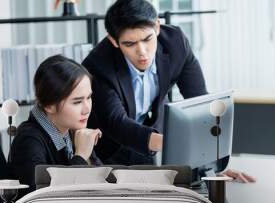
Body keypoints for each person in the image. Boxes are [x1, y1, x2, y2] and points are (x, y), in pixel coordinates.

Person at [82, 0, 207, 165]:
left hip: (153, 137)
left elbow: (199, 101)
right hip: (111, 147)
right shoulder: (97, 65)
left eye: (147, 39)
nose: (142, 52)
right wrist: (173, 143)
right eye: (129, 44)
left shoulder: (176, 43)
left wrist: (211, 160)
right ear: (113, 40)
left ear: (157, 26)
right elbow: (117, 123)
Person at [9, 55, 102, 194]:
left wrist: (89, 158)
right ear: (49, 106)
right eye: (77, 102)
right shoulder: (28, 141)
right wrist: (81, 156)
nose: (87, 108)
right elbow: (46, 199)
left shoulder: (70, 129)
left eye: (88, 98)